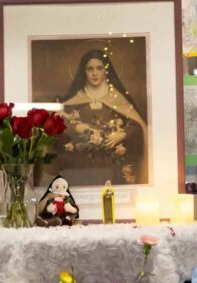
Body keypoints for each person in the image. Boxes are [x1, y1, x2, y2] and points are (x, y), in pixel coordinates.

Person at [59, 49, 147, 185]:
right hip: (80, 166)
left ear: (106, 70)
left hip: (112, 166)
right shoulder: (74, 100)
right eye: (90, 69)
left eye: (99, 68)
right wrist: (76, 128)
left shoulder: (118, 99)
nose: (95, 73)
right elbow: (57, 123)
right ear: (84, 72)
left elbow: (137, 124)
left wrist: (123, 134)